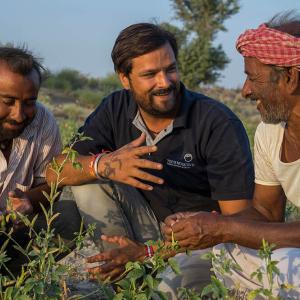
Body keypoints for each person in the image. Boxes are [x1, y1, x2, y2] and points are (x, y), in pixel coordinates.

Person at [46, 23, 254, 296]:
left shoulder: (216, 122)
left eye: (170, 69)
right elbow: (54, 171)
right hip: (141, 229)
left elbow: (237, 223)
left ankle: (146, 278)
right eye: (150, 74)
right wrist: (105, 164)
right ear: (124, 77)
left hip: (200, 242)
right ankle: (124, 280)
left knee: (165, 292)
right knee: (88, 180)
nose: (165, 82)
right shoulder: (115, 108)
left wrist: (149, 253)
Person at [162, 12, 300, 298]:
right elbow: (266, 212)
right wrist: (205, 222)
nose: (245, 90)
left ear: (290, 77)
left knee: (286, 267)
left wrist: (224, 227)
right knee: (206, 257)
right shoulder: (270, 133)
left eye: (253, 78)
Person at [0, 46, 81, 273]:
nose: (19, 114)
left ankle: (14, 281)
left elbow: (52, 184)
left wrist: (28, 201)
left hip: (10, 232)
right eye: (7, 101)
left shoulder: (43, 122)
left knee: (71, 219)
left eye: (29, 102)